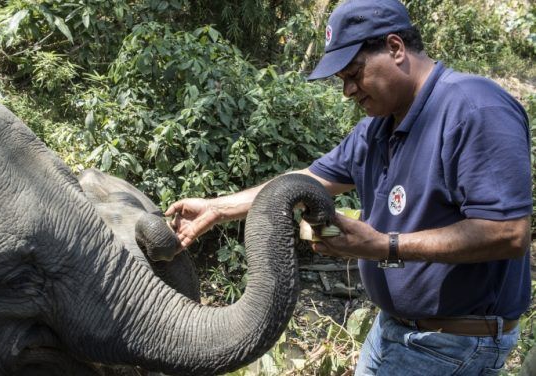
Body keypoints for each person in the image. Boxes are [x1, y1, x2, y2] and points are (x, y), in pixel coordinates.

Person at [164, 0, 532, 374]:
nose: (348, 91)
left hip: (452, 343)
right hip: (394, 330)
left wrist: (383, 246)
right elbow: (305, 180)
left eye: (354, 73)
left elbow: (507, 233)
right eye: (342, 79)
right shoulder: (378, 129)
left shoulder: (474, 108)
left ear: (395, 48)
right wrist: (218, 208)